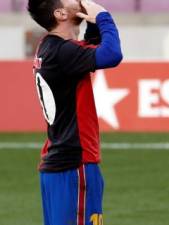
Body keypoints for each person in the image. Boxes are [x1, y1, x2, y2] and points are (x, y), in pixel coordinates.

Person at [28, 0, 122, 224]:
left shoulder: (49, 47)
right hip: (74, 164)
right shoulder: (63, 52)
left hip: (57, 164)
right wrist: (103, 17)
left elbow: (86, 51)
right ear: (60, 13)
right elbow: (112, 54)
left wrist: (93, 26)